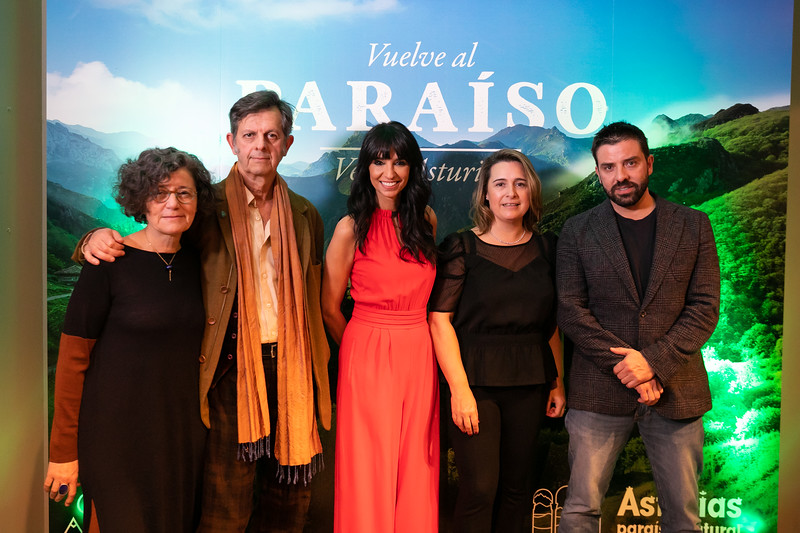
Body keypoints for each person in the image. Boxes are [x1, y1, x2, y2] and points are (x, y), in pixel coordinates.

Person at [80, 90, 332, 533]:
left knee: (290, 506)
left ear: (287, 144)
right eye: (249, 134)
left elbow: (312, 299)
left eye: (271, 135)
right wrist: (91, 240)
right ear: (231, 142)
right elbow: (156, 241)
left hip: (293, 375)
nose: (260, 145)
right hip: (230, 373)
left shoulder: (305, 213)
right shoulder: (203, 206)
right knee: (225, 509)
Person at [556, 122, 720, 533]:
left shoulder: (694, 224)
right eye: (608, 167)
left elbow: (704, 308)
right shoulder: (577, 230)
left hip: (676, 388)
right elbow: (571, 310)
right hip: (597, 391)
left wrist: (652, 363)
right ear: (598, 173)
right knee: (580, 511)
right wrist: (630, 368)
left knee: (683, 518)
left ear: (649, 163)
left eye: (629, 163)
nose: (620, 175)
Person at [44, 147, 215, 532]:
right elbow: (72, 362)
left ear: (197, 201)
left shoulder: (201, 262)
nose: (172, 203)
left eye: (184, 193)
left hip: (180, 439)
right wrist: (63, 454)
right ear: (141, 200)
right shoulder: (108, 262)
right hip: (114, 439)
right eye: (159, 193)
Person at [428, 148, 566, 532]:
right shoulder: (460, 248)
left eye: (520, 184)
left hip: (531, 381)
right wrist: (459, 390)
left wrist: (558, 383)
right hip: (474, 383)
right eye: (500, 184)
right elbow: (439, 321)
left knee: (517, 489)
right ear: (485, 194)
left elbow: (551, 323)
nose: (511, 193)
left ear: (531, 192)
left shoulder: (548, 249)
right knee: (480, 488)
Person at [322, 121, 440, 532]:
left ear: (412, 168)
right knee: (368, 464)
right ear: (366, 167)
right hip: (366, 354)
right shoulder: (350, 229)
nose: (389, 172)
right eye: (379, 161)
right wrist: (358, 347)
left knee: (416, 460)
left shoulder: (426, 220)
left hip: (419, 351)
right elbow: (329, 307)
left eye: (400, 161)